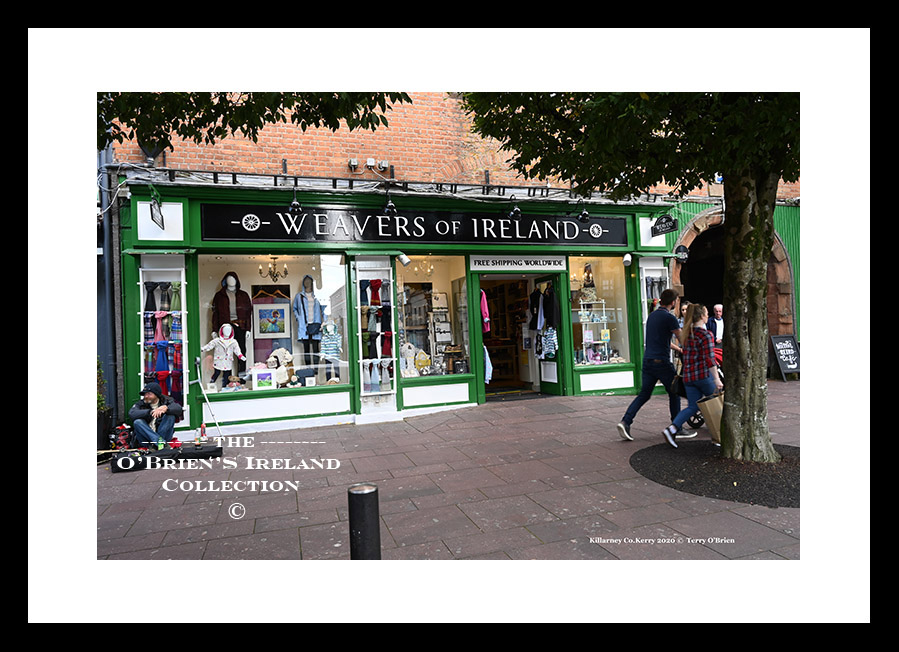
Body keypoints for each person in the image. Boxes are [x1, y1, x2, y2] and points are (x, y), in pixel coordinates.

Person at [617, 289, 692, 441]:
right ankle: (676, 427)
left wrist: (677, 349)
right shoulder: (669, 318)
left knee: (644, 394)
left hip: (648, 361)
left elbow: (662, 340)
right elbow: (681, 337)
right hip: (662, 362)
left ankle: (625, 421)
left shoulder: (652, 316)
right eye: (677, 301)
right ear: (673, 302)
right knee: (674, 392)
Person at [662, 304, 724, 448]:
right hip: (703, 376)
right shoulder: (706, 335)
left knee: (693, 407)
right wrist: (716, 379)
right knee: (716, 406)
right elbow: (710, 359)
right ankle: (719, 436)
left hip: (689, 376)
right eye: (706, 313)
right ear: (702, 316)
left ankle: (672, 429)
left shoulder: (686, 334)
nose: (708, 316)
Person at [128, 381, 183, 449]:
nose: (146, 396)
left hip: (163, 436)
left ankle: (159, 443)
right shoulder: (141, 404)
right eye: (145, 394)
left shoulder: (166, 401)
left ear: (156, 394)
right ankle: (160, 443)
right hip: (146, 440)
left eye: (149, 394)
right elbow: (132, 413)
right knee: (137, 422)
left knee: (170, 416)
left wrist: (166, 408)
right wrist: (150, 412)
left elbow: (178, 408)